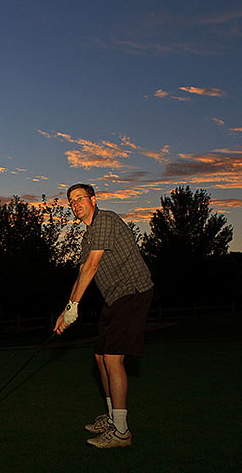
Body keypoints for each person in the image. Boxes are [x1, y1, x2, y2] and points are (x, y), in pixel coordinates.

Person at [54, 183, 154, 448]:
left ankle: (121, 432)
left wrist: (72, 308)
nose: (76, 204)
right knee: (100, 357)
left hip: (133, 292)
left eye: (80, 199)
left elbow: (92, 266)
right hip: (115, 298)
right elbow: (82, 273)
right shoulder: (88, 236)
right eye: (71, 201)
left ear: (93, 200)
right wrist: (66, 311)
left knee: (112, 358)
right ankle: (112, 417)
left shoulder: (106, 219)